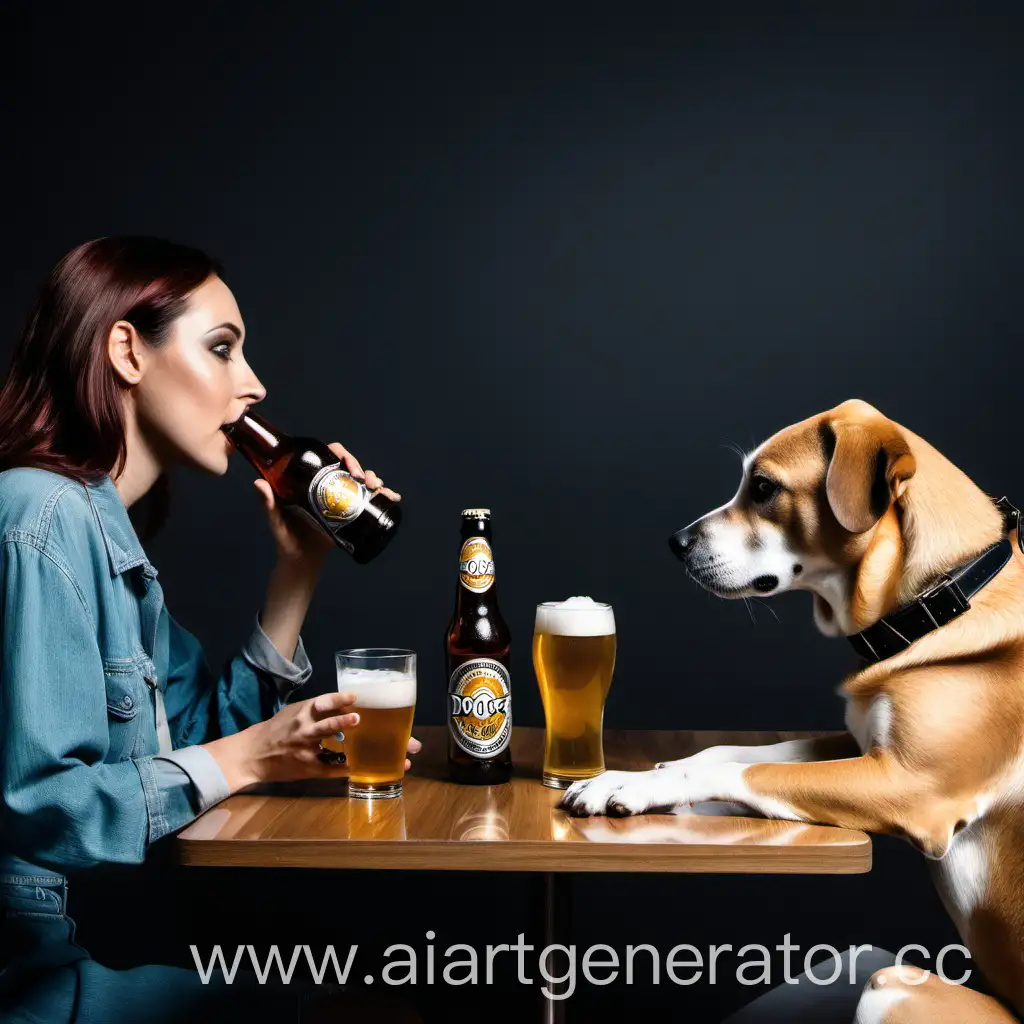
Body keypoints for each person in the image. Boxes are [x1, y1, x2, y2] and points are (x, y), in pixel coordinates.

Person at [0, 237, 421, 1023]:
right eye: (222, 349)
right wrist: (254, 753)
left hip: (74, 958)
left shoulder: (102, 538)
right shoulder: (41, 516)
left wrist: (296, 573)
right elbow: (43, 806)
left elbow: (198, 742)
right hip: (30, 985)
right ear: (126, 350)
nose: (254, 385)